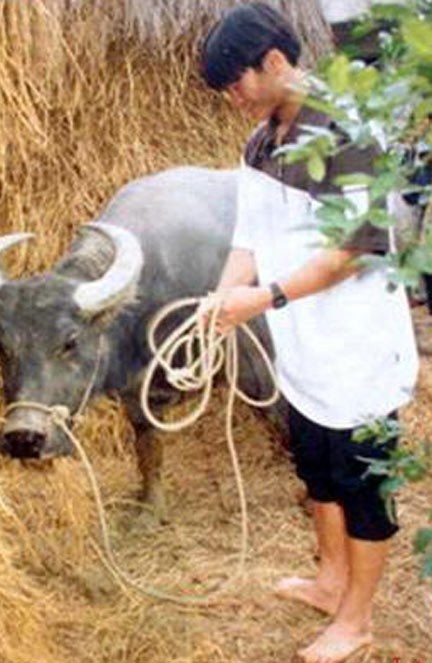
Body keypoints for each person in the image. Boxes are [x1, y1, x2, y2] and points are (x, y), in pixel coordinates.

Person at [199, 3, 419, 662]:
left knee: (362, 489)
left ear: (274, 61)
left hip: (357, 349)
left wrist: (264, 297)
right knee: (317, 469)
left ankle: (357, 619)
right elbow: (249, 236)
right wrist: (222, 296)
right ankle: (329, 581)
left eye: (236, 83)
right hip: (304, 347)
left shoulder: (349, 132)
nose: (233, 98)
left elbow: (350, 252)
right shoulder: (260, 142)